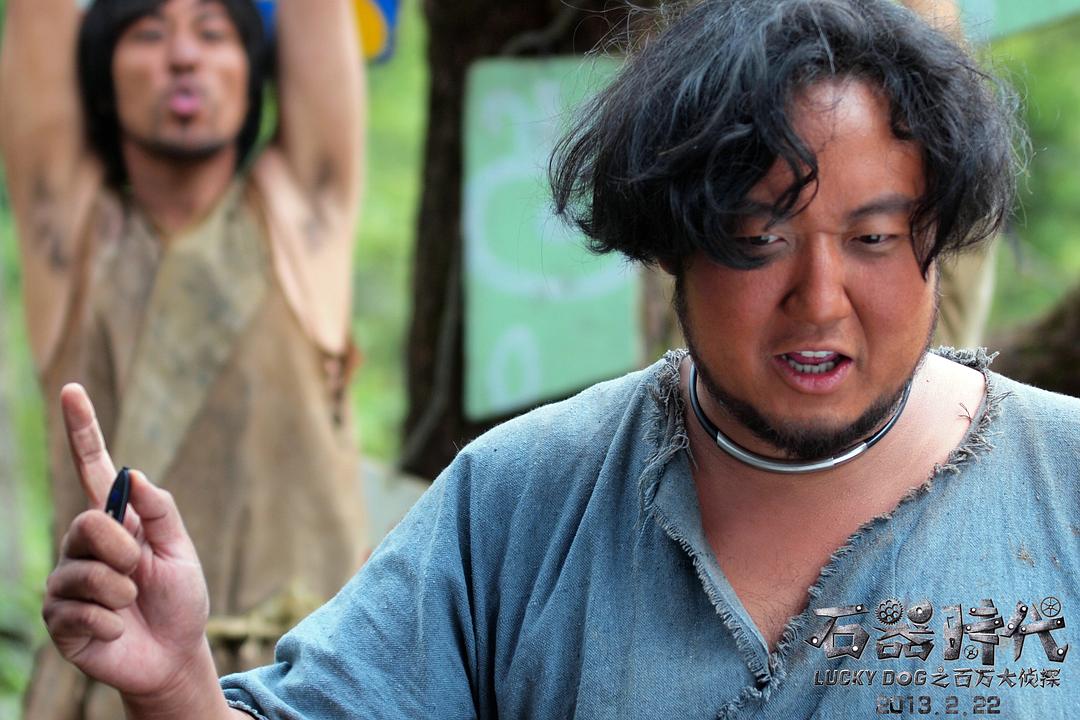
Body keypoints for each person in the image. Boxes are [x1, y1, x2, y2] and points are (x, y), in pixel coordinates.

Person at [39, 0, 1080, 718]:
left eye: (874, 238)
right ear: (669, 246)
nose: (819, 298)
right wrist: (177, 687)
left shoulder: (1062, 486)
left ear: (938, 241)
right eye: (757, 239)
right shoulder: (520, 502)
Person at [0, 0, 368, 717]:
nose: (183, 56)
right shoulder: (70, 238)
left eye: (212, 32)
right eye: (148, 33)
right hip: (104, 684)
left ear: (254, 75)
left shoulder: (300, 225)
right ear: (102, 78)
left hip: (303, 688)